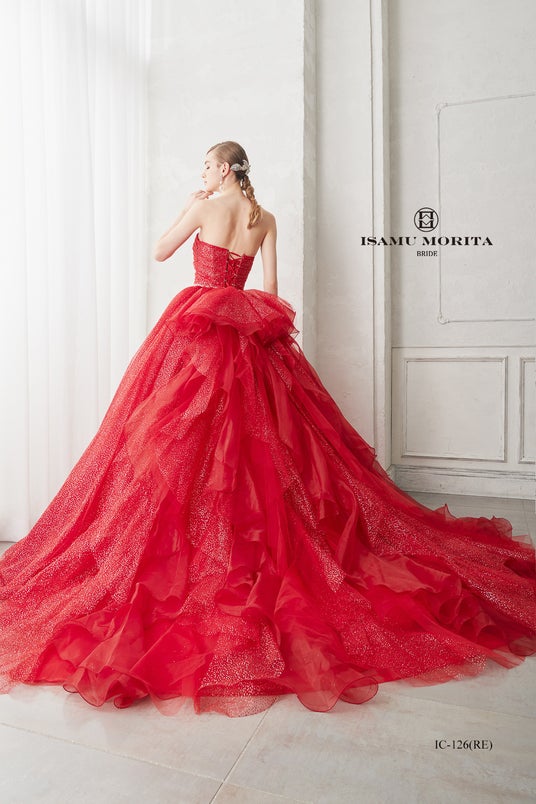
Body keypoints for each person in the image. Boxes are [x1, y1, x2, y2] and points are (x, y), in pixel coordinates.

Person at [0, 141, 535, 719]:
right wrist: (242, 307)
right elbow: (271, 291)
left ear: (224, 169)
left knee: (188, 442)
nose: (203, 174)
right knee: (265, 445)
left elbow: (160, 251)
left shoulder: (204, 206)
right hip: (249, 337)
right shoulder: (266, 218)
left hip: (199, 332)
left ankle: (206, 544)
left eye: (207, 166)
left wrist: (192, 204)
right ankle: (251, 539)